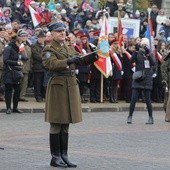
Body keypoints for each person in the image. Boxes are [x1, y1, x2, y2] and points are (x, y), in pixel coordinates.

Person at [42, 21, 98, 168]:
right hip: (58, 87)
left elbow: (81, 60)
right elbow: (51, 64)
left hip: (70, 86)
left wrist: (94, 54)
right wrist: (68, 61)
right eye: (59, 31)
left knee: (66, 123)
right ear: (52, 34)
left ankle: (64, 155)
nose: (62, 33)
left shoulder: (68, 47)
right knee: (56, 123)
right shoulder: (48, 49)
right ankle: (55, 157)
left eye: (64, 31)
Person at [127, 38, 155, 124]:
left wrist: (147, 53)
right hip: (138, 78)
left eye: (146, 45)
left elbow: (153, 63)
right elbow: (131, 61)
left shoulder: (150, 54)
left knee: (147, 100)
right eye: (143, 45)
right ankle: (130, 116)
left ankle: (151, 117)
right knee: (134, 98)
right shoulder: (138, 53)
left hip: (147, 79)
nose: (144, 46)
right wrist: (135, 51)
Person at [3, 33, 24, 114]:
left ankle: (15, 107)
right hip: (9, 72)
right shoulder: (8, 48)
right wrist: (17, 63)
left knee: (17, 90)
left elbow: (19, 57)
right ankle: (8, 108)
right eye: (20, 43)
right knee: (8, 90)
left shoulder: (17, 49)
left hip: (16, 72)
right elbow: (5, 60)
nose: (21, 44)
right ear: (16, 42)